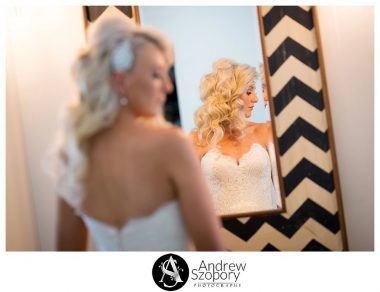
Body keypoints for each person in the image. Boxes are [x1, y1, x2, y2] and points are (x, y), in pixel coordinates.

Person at [46, 16, 224, 251]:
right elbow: (213, 254)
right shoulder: (172, 146)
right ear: (120, 80)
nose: (167, 87)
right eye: (156, 74)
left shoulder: (74, 154)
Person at [191, 59, 281, 217]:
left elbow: (285, 194)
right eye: (249, 92)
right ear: (229, 96)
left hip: (269, 231)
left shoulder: (265, 131)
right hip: (224, 235)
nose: (256, 99)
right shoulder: (197, 139)